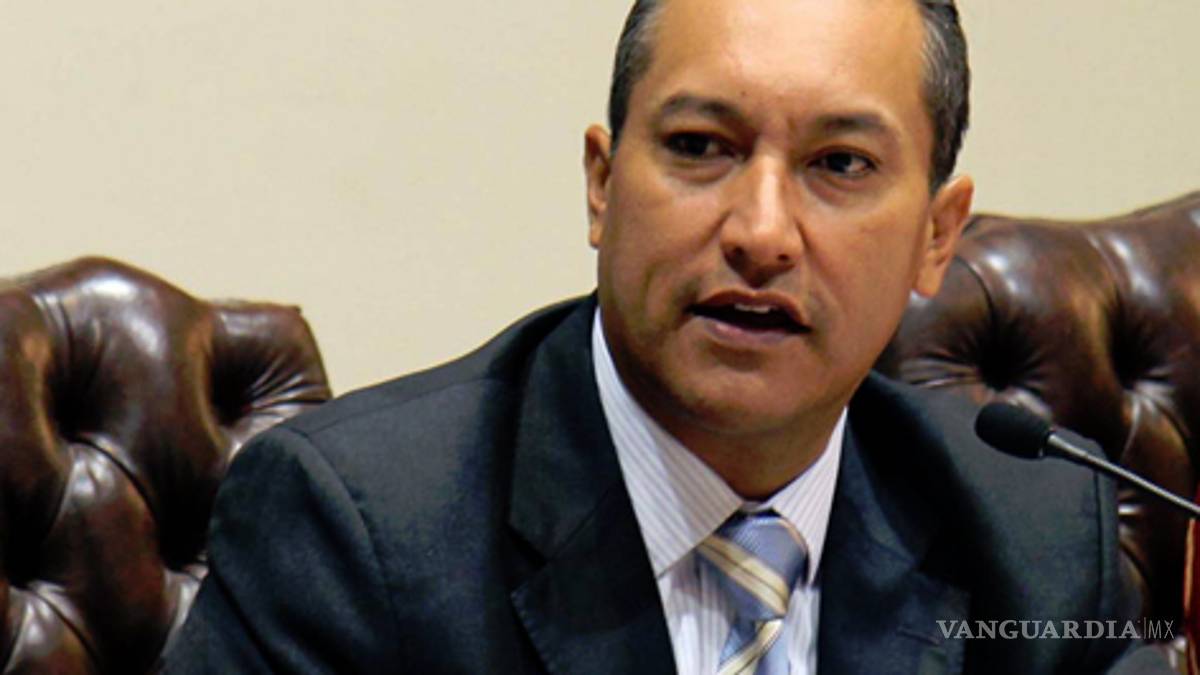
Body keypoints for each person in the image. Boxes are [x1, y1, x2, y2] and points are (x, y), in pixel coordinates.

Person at [164, 0, 1171, 672]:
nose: (762, 233)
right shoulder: (355, 530)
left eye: (840, 164)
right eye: (699, 147)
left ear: (936, 235)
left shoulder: (1034, 533)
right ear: (603, 186)